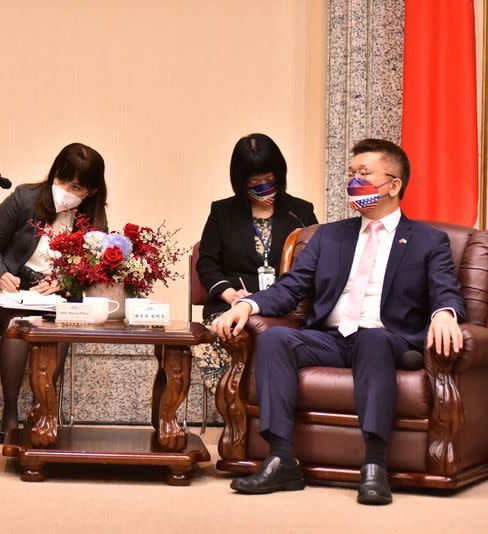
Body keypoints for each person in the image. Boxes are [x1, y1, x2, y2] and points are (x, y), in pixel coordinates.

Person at [213, 138, 465, 505]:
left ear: (394, 185)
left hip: (385, 337)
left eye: (364, 174)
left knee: (373, 340)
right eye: (351, 173)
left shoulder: (429, 241)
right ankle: (282, 458)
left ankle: (375, 464)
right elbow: (290, 289)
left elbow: (446, 290)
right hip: (329, 338)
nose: (353, 181)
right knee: (274, 339)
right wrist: (247, 305)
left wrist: (445, 313)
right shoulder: (328, 236)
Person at [0, 142, 108, 437]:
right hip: (8, 294)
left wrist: (67, 280)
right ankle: (9, 414)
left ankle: (41, 411)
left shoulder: (91, 218)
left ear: (91, 191)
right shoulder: (24, 198)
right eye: (61, 180)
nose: (65, 191)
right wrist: (1, 273)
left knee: (58, 325)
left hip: (52, 301)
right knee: (18, 324)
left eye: (76, 187)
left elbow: (95, 265)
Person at [194, 133, 317, 394]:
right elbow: (207, 263)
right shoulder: (222, 212)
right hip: (230, 307)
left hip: (285, 310)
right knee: (223, 334)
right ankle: (234, 411)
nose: (263, 187)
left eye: (269, 180)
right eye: (255, 181)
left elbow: (313, 264)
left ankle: (268, 409)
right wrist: (230, 295)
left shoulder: (301, 211)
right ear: (241, 180)